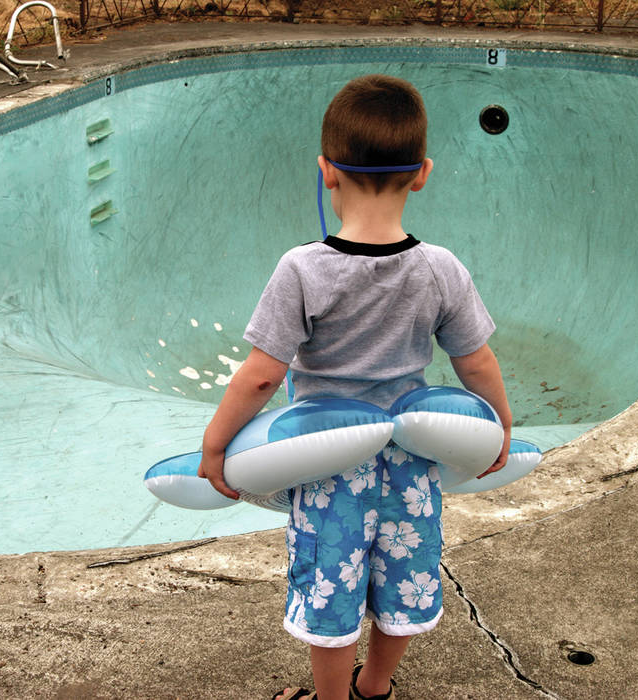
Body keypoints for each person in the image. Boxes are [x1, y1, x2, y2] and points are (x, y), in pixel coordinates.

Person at [197, 74, 512, 700]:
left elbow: (263, 374)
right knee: (405, 580)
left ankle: (331, 699)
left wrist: (215, 442)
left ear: (326, 172)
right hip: (411, 465)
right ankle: (376, 688)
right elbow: (476, 363)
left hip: (329, 464)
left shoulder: (303, 269)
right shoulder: (440, 268)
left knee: (331, 586)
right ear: (422, 173)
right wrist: (498, 428)